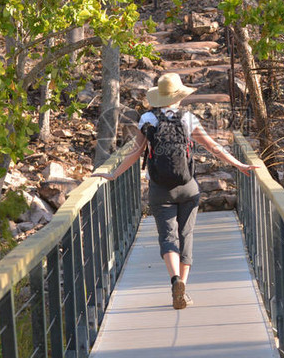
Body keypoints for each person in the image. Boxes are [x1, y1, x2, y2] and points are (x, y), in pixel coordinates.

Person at [92, 73, 258, 309]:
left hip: (160, 189)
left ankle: (174, 280)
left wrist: (112, 174)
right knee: (186, 235)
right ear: (179, 97)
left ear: (159, 97)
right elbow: (213, 147)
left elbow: (135, 153)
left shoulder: (147, 118)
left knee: (168, 237)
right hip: (188, 186)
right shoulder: (187, 118)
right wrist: (239, 165)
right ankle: (184, 287)